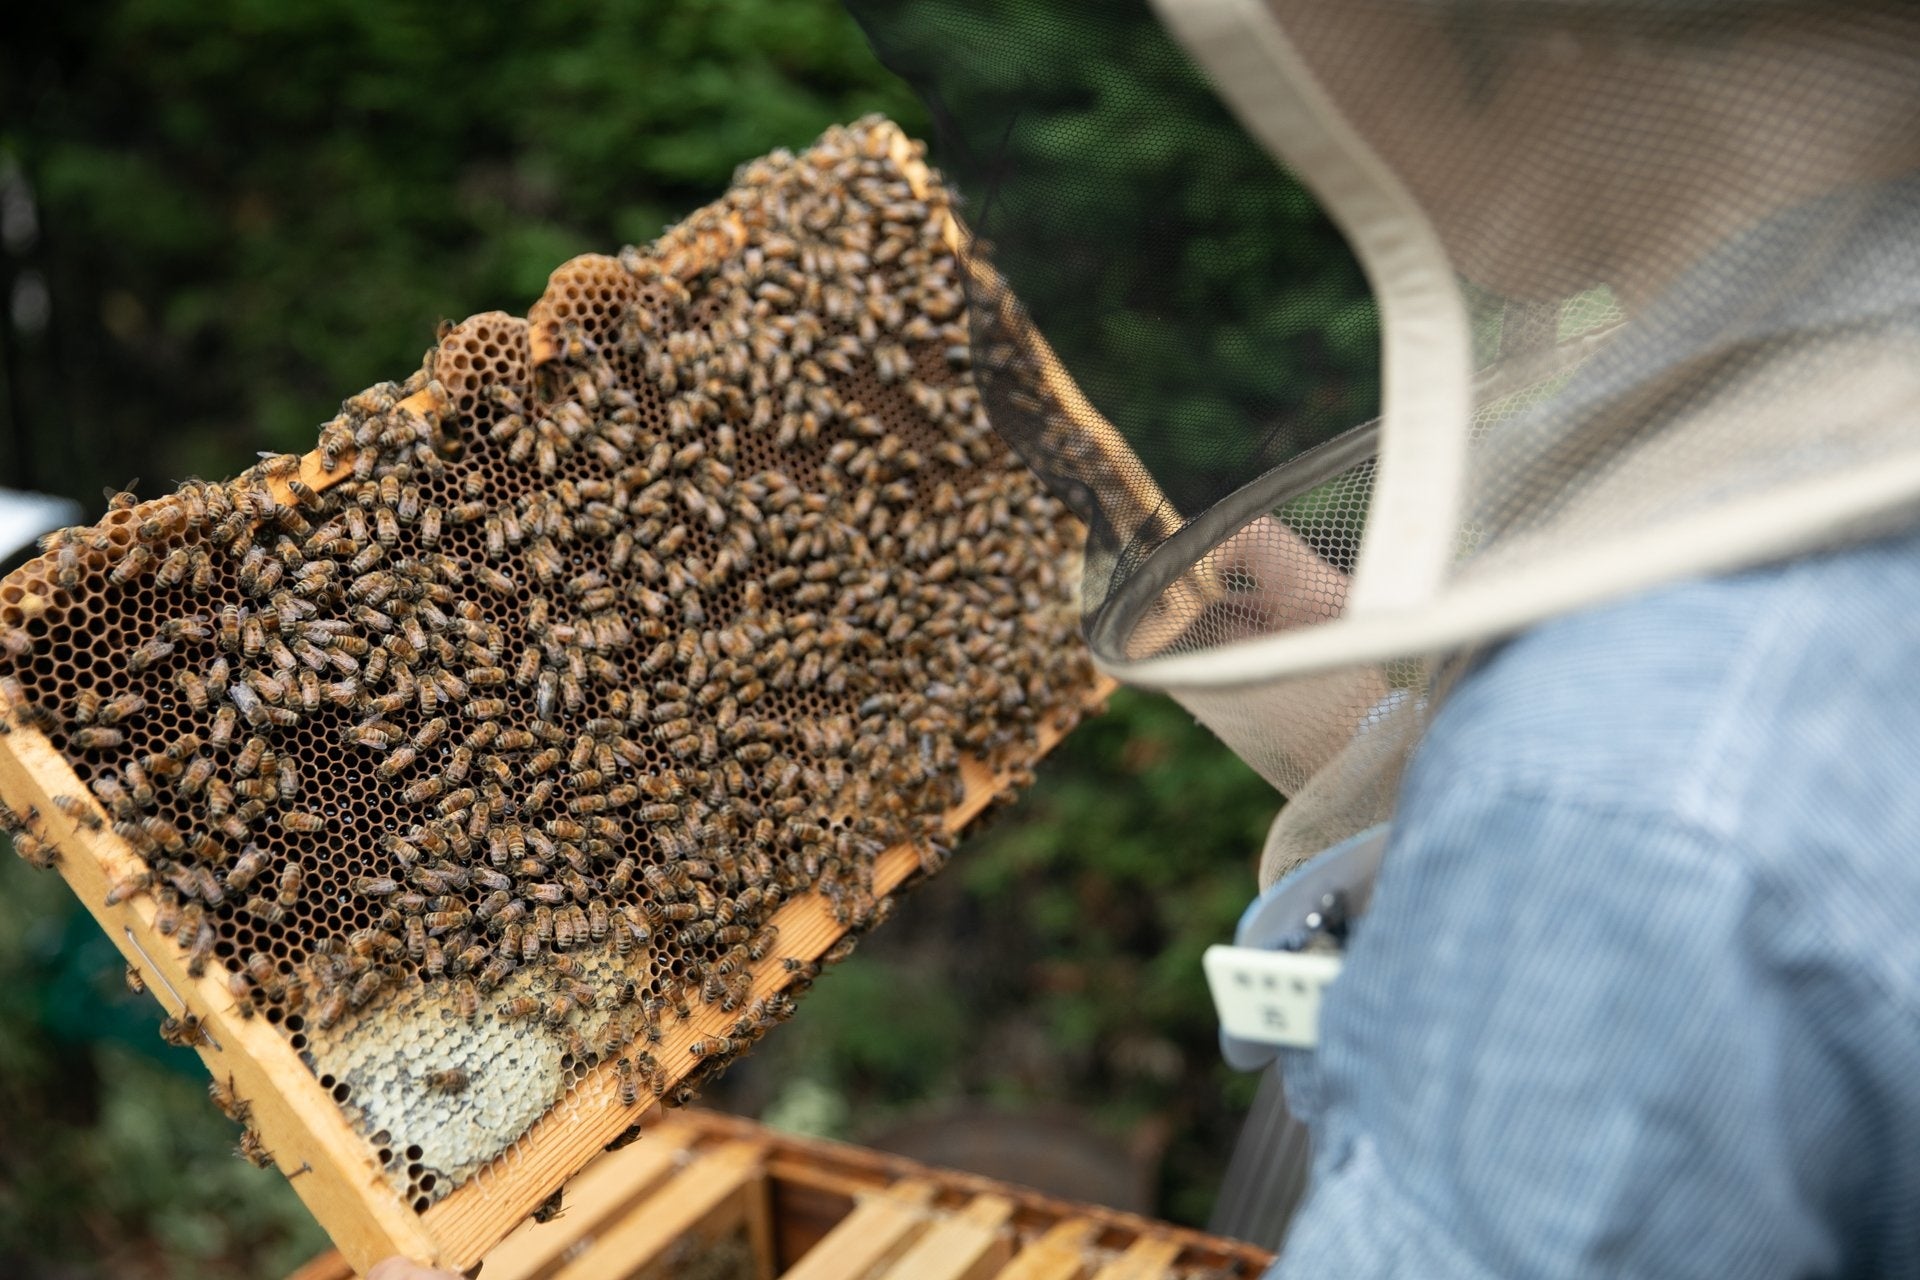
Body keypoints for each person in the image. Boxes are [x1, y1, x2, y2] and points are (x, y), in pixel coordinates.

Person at [373, 1, 1920, 1274]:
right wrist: (1394, 747)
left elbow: (1640, 869)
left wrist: (1509, 805)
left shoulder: (1613, 806)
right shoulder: (1822, 441)